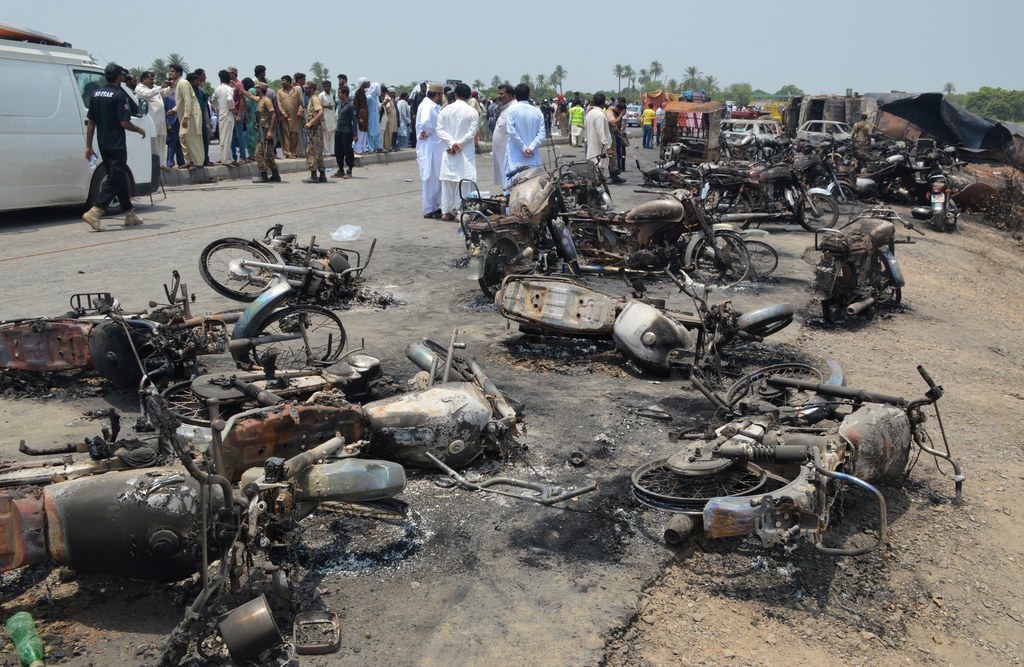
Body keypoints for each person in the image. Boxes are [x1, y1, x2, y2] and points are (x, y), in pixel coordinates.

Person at [81, 63, 147, 231]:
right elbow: (124, 122)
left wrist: (88, 146)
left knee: (117, 176)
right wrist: (139, 128)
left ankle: (129, 214)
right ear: (119, 77)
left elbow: (91, 123)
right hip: (116, 144)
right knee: (115, 178)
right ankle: (96, 211)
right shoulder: (118, 95)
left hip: (103, 143)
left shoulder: (95, 95)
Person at [435, 83, 480, 221]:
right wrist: (459, 144)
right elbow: (472, 133)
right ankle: (461, 212)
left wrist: (452, 143)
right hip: (464, 153)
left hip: (449, 152)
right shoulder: (472, 112)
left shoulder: (445, 110)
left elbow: (439, 130)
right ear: (468, 96)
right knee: (465, 183)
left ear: (455, 95)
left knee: (448, 183)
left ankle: (446, 211)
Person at [502, 83, 545, 190]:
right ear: (529, 95)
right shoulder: (537, 112)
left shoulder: (512, 110)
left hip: (515, 155)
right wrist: (530, 148)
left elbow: (511, 132)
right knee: (533, 187)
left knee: (513, 186)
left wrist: (523, 148)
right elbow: (542, 134)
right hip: (532, 155)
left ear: (515, 96)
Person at [415, 83, 443, 218]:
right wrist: (426, 131)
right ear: (437, 95)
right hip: (429, 148)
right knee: (430, 178)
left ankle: (434, 206)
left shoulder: (431, 105)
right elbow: (425, 122)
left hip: (434, 147)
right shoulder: (427, 105)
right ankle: (428, 209)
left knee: (436, 179)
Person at [134, 71, 168, 169]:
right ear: (144, 79)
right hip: (151, 121)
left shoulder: (154, 88)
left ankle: (162, 164)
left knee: (161, 143)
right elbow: (148, 94)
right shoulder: (139, 89)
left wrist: (171, 87)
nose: (152, 81)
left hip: (160, 121)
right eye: (150, 79)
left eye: (153, 79)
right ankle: (154, 165)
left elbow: (164, 93)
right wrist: (160, 87)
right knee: (153, 145)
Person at [172, 67, 204, 169]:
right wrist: (174, 110)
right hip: (185, 116)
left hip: (190, 116)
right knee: (183, 138)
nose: (170, 73)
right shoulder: (178, 84)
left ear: (178, 73)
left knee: (191, 139)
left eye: (172, 71)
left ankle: (197, 163)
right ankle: (189, 162)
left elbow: (187, 100)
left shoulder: (183, 83)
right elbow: (181, 101)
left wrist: (186, 117)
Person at [251, 82, 281, 183]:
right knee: (268, 154)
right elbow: (250, 96)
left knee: (258, 153)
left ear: (260, 89)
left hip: (265, 131)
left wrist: (270, 131)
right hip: (261, 130)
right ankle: (275, 174)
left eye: (257, 88)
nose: (255, 90)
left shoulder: (266, 101)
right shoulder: (260, 100)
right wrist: (239, 88)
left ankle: (264, 175)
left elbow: (274, 115)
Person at [584, 93, 613, 182]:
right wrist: (607, 147)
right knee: (600, 172)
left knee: (593, 170)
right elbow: (600, 132)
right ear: (604, 102)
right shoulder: (600, 115)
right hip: (600, 149)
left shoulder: (589, 114)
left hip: (591, 147)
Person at [302, 80, 327, 183]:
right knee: (318, 152)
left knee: (311, 151)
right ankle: (322, 175)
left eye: (307, 88)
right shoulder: (311, 99)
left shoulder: (314, 99)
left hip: (315, 129)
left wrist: (310, 122)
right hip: (316, 129)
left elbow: (321, 112)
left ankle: (313, 176)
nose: (305, 90)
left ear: (312, 89)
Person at [490, 84, 514, 188]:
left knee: (509, 179)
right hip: (501, 153)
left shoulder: (514, 108)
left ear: (510, 95)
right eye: (498, 94)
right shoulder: (505, 108)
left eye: (502, 94)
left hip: (508, 152)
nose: (499, 96)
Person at [213, 70, 236, 165]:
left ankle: (227, 158)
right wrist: (232, 107)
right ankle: (226, 159)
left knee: (223, 138)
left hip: (221, 115)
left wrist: (219, 107)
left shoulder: (217, 89)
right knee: (227, 138)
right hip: (228, 115)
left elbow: (213, 100)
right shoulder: (229, 89)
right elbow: (230, 99)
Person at [333, 84, 356, 178]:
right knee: (338, 152)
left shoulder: (351, 105)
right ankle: (340, 170)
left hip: (347, 132)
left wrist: (355, 134)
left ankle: (349, 170)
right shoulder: (340, 104)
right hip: (339, 131)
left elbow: (355, 121)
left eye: (339, 93)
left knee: (348, 152)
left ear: (345, 94)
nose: (338, 95)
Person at [277, 75, 302, 158]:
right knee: (286, 134)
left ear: (288, 81)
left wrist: (299, 111)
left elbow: (301, 103)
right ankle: (287, 152)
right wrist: (283, 113)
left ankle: (293, 151)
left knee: (294, 134)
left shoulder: (296, 91)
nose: (282, 82)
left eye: (283, 80)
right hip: (285, 117)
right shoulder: (280, 92)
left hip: (295, 117)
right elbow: (279, 104)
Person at [319, 80, 336, 156]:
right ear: (323, 87)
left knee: (331, 134)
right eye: (325, 87)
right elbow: (318, 106)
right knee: (325, 135)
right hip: (324, 118)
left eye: (328, 86)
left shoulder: (331, 94)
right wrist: (326, 106)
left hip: (331, 117)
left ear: (330, 87)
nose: (327, 88)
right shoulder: (321, 95)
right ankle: (326, 151)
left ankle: (332, 151)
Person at [354, 78, 370, 154]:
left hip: (365, 115)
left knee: (364, 133)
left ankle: (363, 148)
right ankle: (358, 149)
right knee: (360, 133)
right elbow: (356, 107)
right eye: (366, 83)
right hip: (361, 115)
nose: (368, 84)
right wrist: (359, 117)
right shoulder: (358, 93)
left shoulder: (364, 92)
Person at [366, 82, 382, 153]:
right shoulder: (369, 97)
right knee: (370, 133)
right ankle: (371, 149)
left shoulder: (376, 97)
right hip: (370, 117)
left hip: (375, 117)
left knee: (377, 132)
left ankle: (378, 147)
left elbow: (378, 107)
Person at [381, 86, 396, 151]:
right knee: (387, 134)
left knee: (390, 134)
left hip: (391, 119)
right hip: (388, 119)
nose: (393, 94)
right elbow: (387, 107)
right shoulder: (387, 98)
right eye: (392, 93)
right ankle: (387, 147)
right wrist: (389, 110)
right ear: (389, 93)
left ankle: (389, 147)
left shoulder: (391, 99)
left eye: (394, 93)